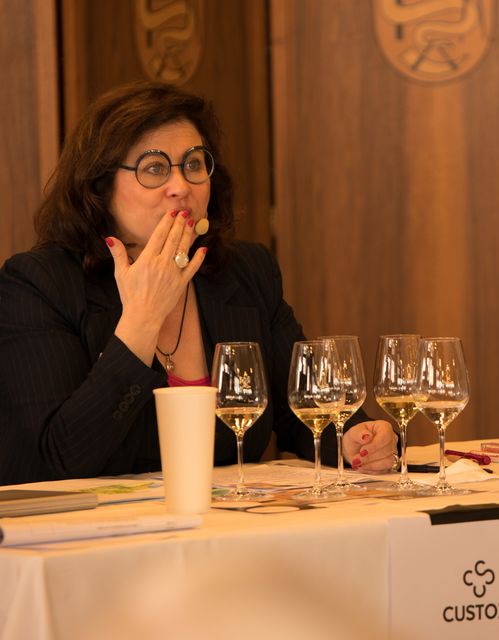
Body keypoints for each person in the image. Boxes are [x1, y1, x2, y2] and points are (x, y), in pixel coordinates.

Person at [0, 81, 398, 485]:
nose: (181, 187)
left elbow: (302, 409)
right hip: (91, 524)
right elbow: (60, 459)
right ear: (100, 187)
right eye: (154, 168)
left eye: (193, 164)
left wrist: (354, 438)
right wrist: (142, 320)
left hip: (222, 517)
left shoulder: (245, 271)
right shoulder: (39, 285)